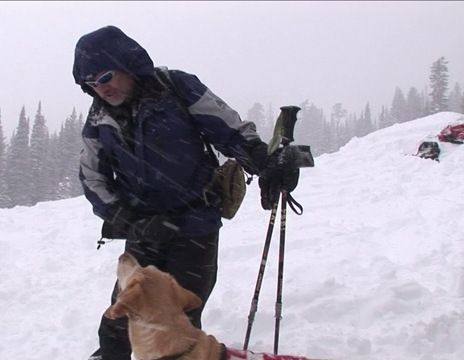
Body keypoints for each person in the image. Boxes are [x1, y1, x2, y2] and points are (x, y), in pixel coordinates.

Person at [73, 25, 301, 360]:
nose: (101, 88)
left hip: (195, 222)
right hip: (144, 227)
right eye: (91, 83)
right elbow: (92, 176)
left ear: (127, 64)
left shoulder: (175, 87)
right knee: (119, 320)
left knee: (179, 321)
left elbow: (228, 129)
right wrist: (125, 218)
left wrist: (263, 162)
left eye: (106, 76)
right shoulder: (99, 117)